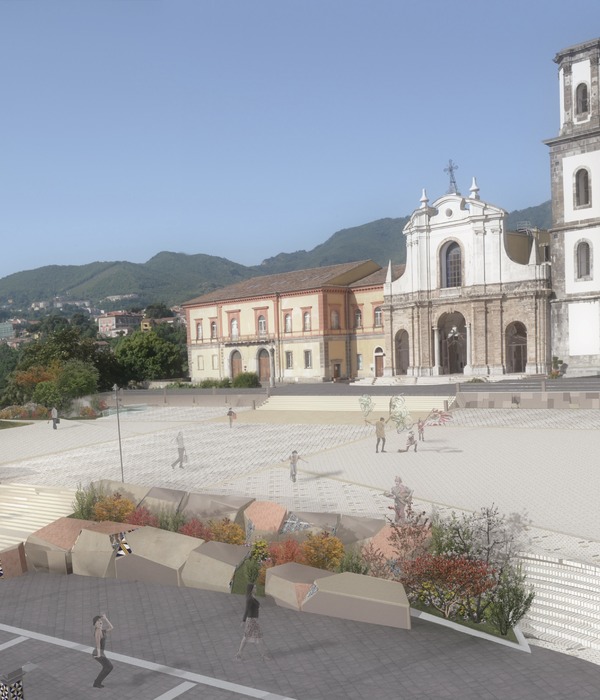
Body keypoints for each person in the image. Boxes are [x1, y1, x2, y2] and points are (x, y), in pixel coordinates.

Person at [236, 583, 270, 661]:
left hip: (253, 620)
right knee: (255, 638)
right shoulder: (249, 599)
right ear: (251, 590)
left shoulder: (252, 597)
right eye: (254, 588)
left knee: (248, 637)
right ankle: (263, 655)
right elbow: (246, 610)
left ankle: (239, 654)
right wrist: (243, 621)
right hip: (251, 621)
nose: (256, 589)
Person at [92, 612, 114, 688]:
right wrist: (98, 654)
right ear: (95, 624)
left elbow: (111, 627)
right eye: (98, 621)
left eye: (100, 621)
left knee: (107, 667)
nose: (100, 622)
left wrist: (105, 619)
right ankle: (96, 682)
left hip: (101, 652)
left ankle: (97, 682)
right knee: (109, 666)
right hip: (98, 653)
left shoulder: (102, 631)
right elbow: (97, 644)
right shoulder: (98, 632)